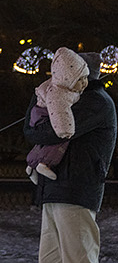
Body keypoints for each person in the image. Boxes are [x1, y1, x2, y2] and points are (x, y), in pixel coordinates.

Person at [24, 48, 116, 263]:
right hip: (54, 192)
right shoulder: (64, 96)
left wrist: (38, 124)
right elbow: (31, 126)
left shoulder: (96, 104)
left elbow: (50, 130)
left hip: (77, 193)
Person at [25, 48, 88, 184]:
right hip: (44, 116)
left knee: (42, 143)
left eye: (85, 78)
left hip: (41, 114)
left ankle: (31, 166)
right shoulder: (59, 94)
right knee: (60, 140)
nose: (84, 83)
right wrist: (66, 130)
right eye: (80, 80)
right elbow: (60, 112)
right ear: (68, 79)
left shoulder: (63, 87)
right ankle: (44, 163)